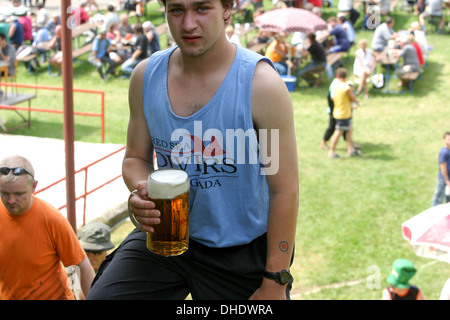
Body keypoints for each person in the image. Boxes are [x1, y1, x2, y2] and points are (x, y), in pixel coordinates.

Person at [87, 0, 299, 300]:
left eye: (202, 8)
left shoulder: (261, 85)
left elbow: (284, 191)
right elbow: (135, 158)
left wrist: (275, 281)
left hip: (242, 250)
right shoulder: (146, 77)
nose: (188, 24)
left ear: (227, 8)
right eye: (176, 10)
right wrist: (142, 191)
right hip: (166, 236)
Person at [0, 155, 95, 299]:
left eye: (19, 194)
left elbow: (81, 267)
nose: (11, 200)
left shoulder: (52, 220)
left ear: (33, 187)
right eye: (5, 193)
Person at [328, 68, 360, 158]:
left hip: (338, 111)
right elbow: (353, 98)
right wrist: (356, 101)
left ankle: (351, 149)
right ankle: (331, 152)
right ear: (345, 76)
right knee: (338, 132)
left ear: (337, 76)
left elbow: (333, 98)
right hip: (343, 114)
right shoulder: (346, 87)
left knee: (349, 129)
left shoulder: (335, 86)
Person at [431, 131, 450, 206]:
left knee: (448, 198)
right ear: (444, 140)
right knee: (438, 198)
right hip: (444, 178)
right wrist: (447, 181)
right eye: (448, 139)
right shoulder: (444, 152)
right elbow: (443, 168)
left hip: (448, 178)